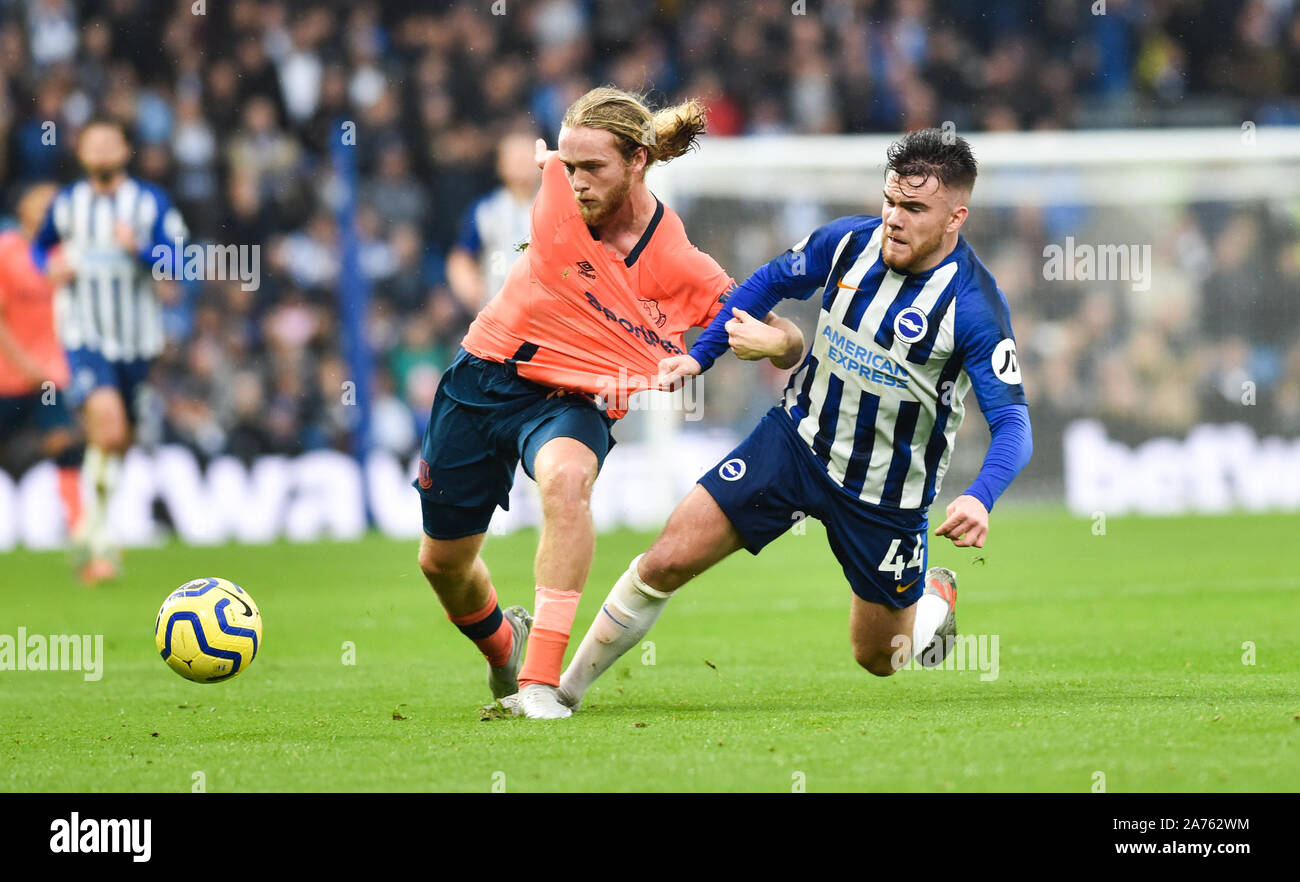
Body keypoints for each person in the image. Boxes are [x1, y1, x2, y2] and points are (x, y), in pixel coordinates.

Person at [556, 128, 1034, 711]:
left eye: (913, 208)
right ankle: (562, 693)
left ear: (955, 217)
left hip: (883, 495)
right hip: (795, 439)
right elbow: (768, 283)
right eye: (889, 201)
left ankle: (933, 601)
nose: (893, 218)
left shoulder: (976, 306)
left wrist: (982, 497)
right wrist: (702, 354)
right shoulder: (849, 243)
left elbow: (1013, 421)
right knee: (667, 559)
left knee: (880, 658)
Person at [412, 87, 804, 719]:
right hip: (483, 378)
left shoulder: (679, 263)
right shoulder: (559, 194)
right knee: (443, 564)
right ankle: (503, 647)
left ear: (639, 161)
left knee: (567, 483)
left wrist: (780, 343)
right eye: (569, 166)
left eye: (593, 167)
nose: (577, 182)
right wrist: (556, 163)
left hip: (575, 400)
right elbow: (548, 166)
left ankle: (540, 683)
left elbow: (779, 333)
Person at [33, 119, 188, 584]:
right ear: (81, 153)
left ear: (125, 149)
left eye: (109, 142)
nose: (100, 150)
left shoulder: (150, 203)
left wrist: (140, 250)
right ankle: (100, 545)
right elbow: (40, 250)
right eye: (92, 143)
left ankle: (87, 528)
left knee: (117, 442)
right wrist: (50, 266)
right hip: (85, 335)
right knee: (110, 423)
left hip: (137, 341)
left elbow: (181, 260)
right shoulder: (67, 204)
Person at [0, 183, 80, 537]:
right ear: (23, 210)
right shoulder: (6, 252)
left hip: (50, 376)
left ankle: (82, 538)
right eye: (40, 201)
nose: (48, 207)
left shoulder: (66, 256)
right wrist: (24, 364)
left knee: (64, 443)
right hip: (7, 376)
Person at [444, 132, 542, 313]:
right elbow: (461, 257)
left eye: (527, 156)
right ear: (501, 165)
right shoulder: (486, 210)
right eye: (515, 157)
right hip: (499, 310)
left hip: (548, 313)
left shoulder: (560, 208)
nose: (522, 163)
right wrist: (473, 291)